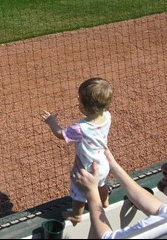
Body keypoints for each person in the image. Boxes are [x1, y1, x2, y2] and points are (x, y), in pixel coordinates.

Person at [71, 137, 167, 238]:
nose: (163, 167)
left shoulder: (158, 228)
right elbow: (158, 208)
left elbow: (105, 237)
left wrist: (92, 192)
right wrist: (112, 164)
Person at [41, 77, 114, 224]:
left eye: (80, 100)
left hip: (85, 170)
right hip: (102, 164)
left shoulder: (80, 128)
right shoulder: (107, 116)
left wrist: (51, 121)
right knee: (102, 183)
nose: (77, 101)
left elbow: (60, 134)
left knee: (79, 192)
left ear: (86, 107)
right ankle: (105, 201)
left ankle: (76, 215)